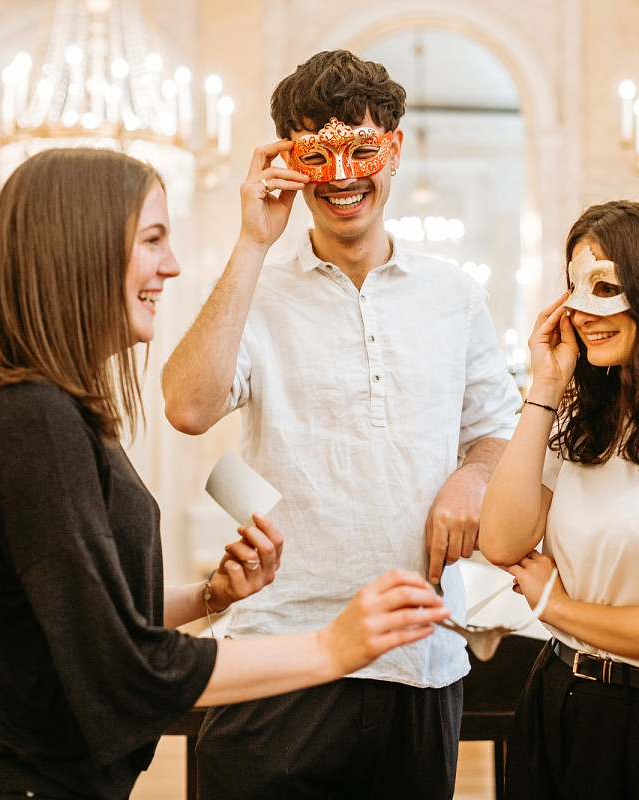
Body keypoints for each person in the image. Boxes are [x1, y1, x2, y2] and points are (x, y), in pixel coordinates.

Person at [0, 147, 449, 800]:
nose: (170, 266)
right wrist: (331, 650)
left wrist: (209, 598)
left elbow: (88, 618)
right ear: (79, 249)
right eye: (152, 241)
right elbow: (123, 672)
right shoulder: (31, 421)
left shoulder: (41, 412)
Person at [162, 50, 521, 798]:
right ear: (287, 162)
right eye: (315, 155)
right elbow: (190, 408)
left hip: (417, 654)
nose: (343, 175)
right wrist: (254, 242)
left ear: (394, 148)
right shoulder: (252, 289)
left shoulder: (454, 294)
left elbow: (499, 426)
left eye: (362, 150)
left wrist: (474, 473)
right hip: (277, 653)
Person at [479, 200, 639, 799]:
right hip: (556, 697)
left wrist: (555, 605)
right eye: (573, 287)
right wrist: (545, 389)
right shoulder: (588, 425)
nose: (583, 309)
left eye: (605, 286)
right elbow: (502, 540)